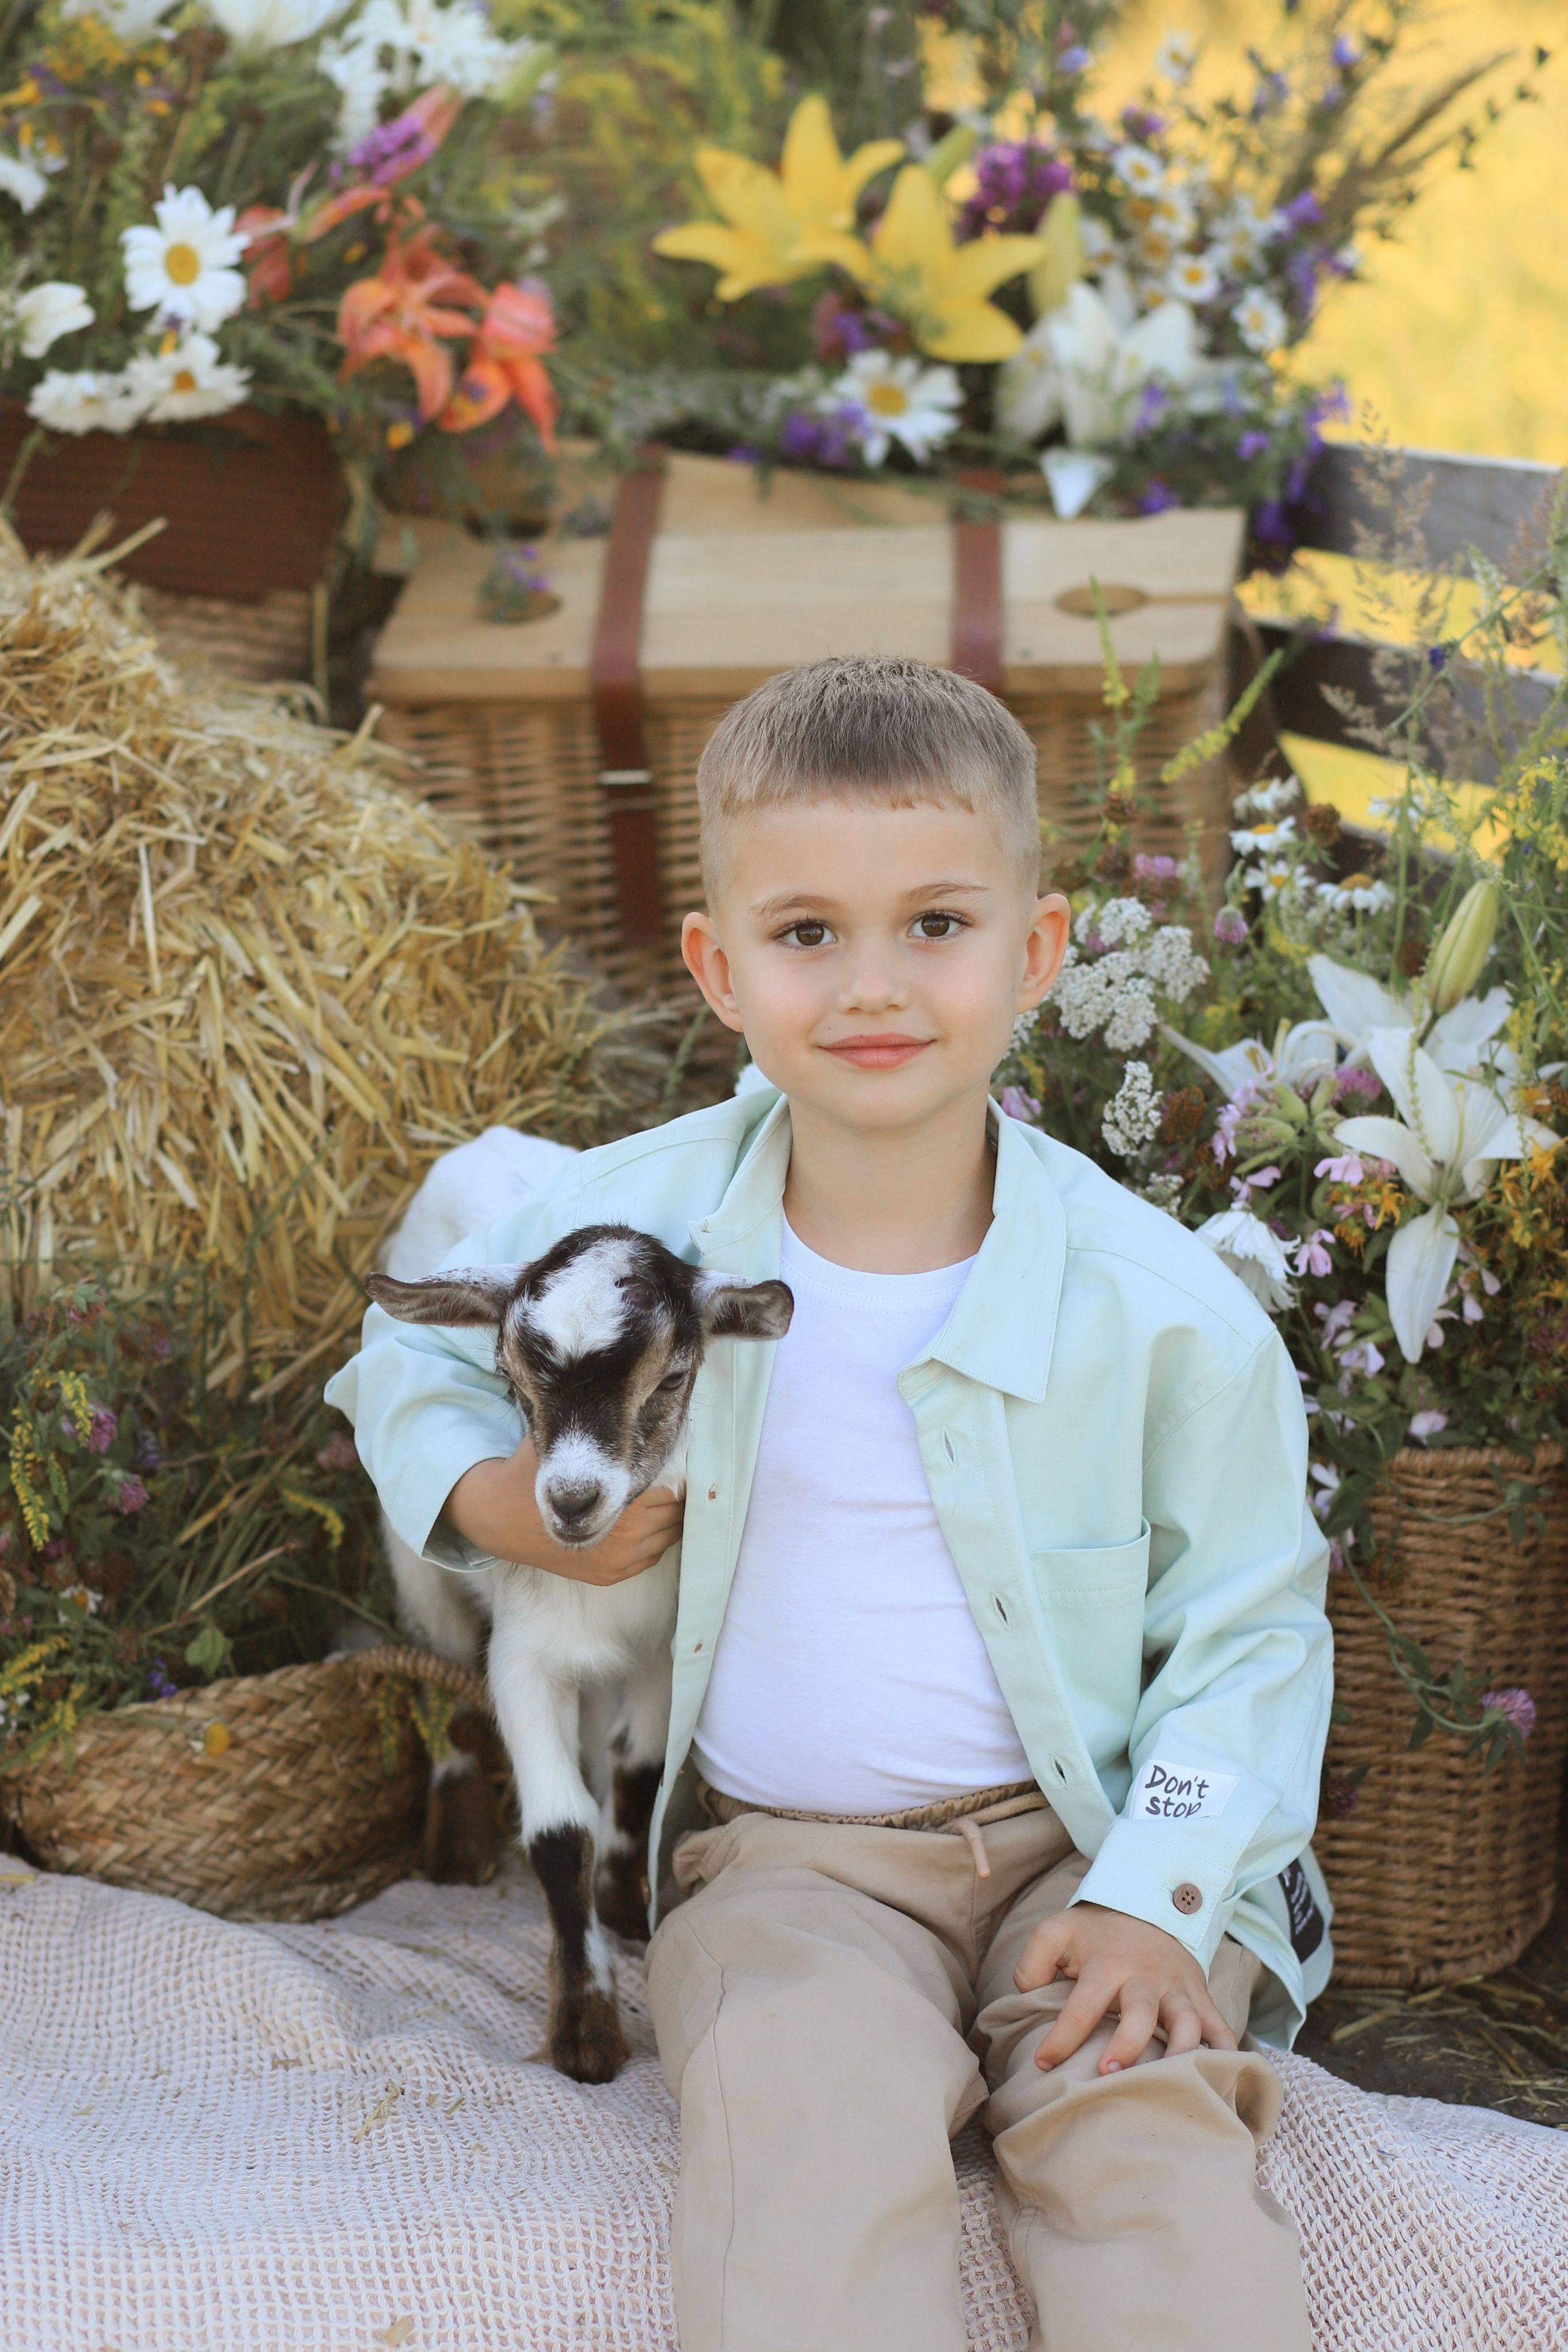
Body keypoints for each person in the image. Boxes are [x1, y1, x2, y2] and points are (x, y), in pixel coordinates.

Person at [331, 656, 1332, 2352]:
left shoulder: (1163, 1312)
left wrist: (1156, 1893)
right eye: (807, 935)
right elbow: (406, 1354)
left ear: (1037, 950)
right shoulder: (629, 1217)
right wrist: (488, 1496)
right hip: (791, 1865)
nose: (874, 985)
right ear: (721, 970)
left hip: (1082, 1834)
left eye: (936, 925)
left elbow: (1248, 1631)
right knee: (799, 2121)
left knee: (1143, 2129)